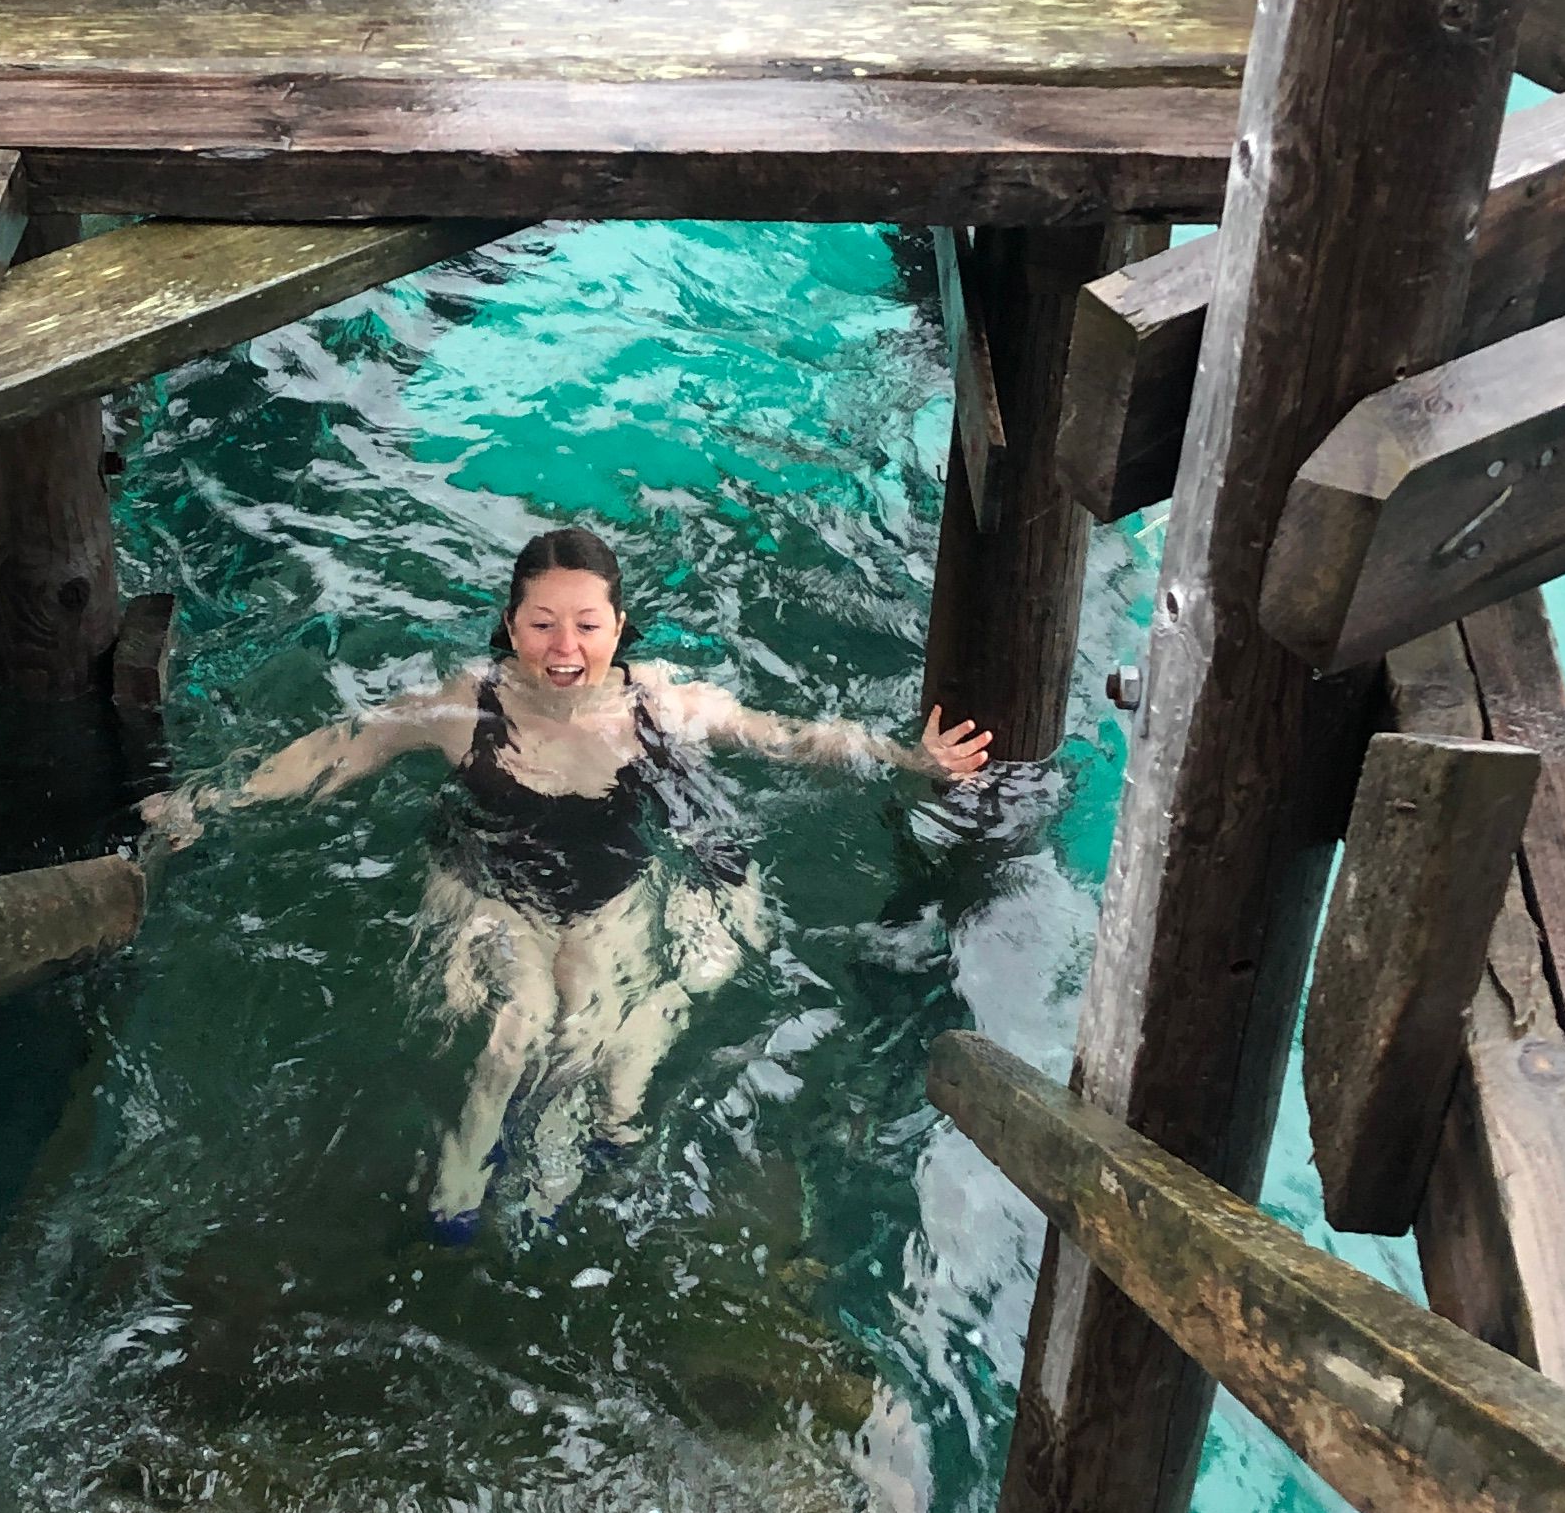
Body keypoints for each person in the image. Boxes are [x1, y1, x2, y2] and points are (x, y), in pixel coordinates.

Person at [147, 524, 992, 1241]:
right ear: (510, 626)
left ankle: (570, 1169)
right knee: (516, 1027)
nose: (565, 648)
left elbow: (783, 737)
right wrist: (211, 800)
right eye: (543, 624)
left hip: (605, 892)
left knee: (586, 1031)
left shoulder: (657, 706)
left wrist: (905, 759)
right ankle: (461, 1180)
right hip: (480, 884)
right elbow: (342, 748)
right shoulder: (466, 705)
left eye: (586, 625)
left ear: (618, 629)